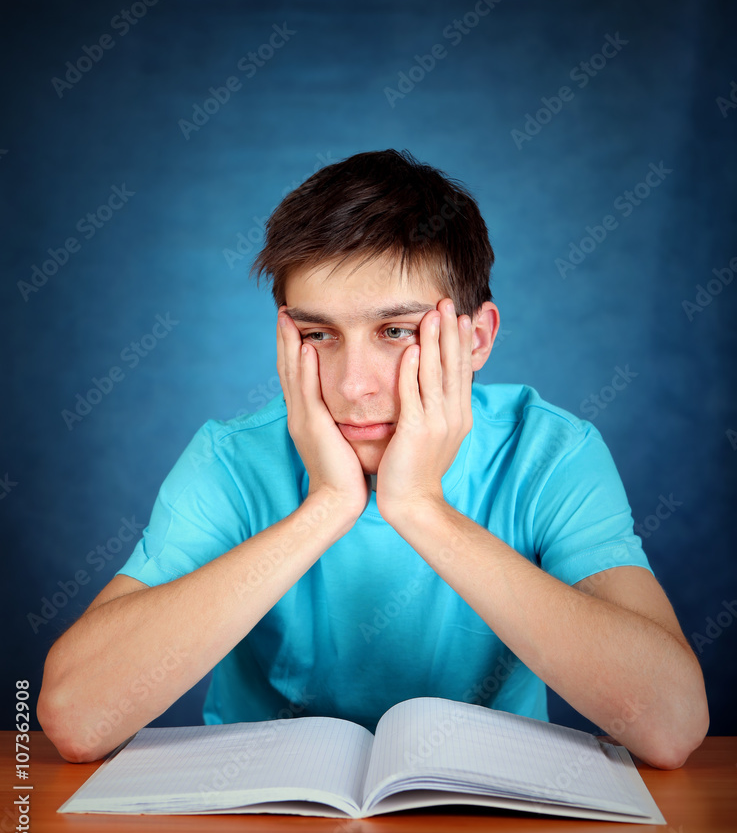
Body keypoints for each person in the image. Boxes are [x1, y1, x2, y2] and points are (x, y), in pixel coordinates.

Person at [37, 149, 709, 768]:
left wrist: (419, 507)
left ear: (476, 338)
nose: (352, 384)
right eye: (317, 334)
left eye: (396, 332)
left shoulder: (552, 452)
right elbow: (75, 717)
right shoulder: (230, 459)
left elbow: (670, 725)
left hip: (489, 824)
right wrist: (326, 508)